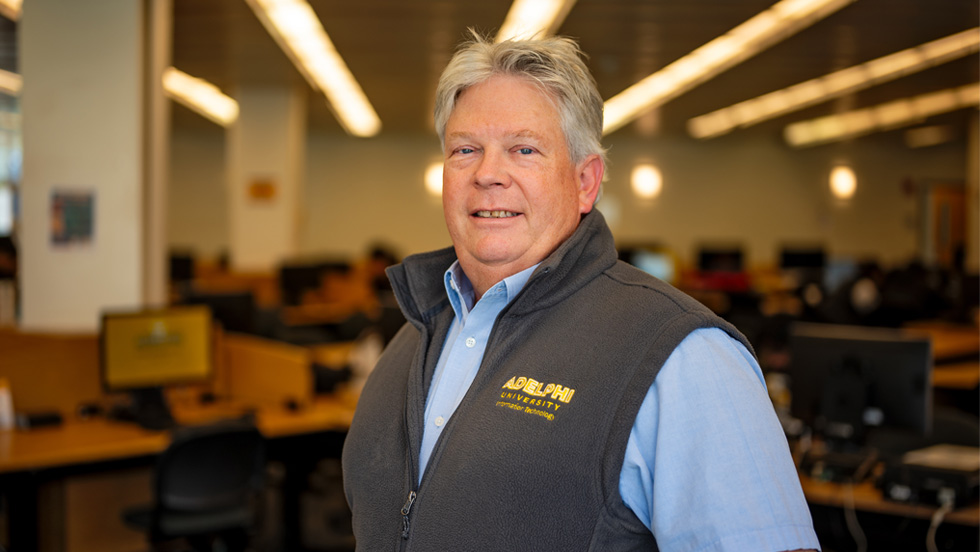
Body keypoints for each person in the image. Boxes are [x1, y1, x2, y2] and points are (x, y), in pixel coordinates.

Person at [342, 31, 820, 552]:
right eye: (465, 150)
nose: (487, 174)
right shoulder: (415, 335)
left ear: (586, 182)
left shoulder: (683, 356)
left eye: (524, 149)